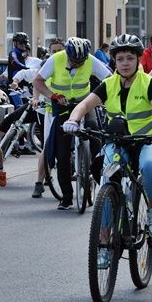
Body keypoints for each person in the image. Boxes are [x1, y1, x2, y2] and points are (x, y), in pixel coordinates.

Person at [63, 34, 152, 258]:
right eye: (120, 58)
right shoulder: (108, 84)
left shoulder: (148, 83)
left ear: (137, 60)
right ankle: (104, 242)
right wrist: (73, 120)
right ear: (114, 61)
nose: (125, 63)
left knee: (151, 166)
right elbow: (85, 104)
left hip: (148, 139)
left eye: (130, 58)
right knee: (107, 180)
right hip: (117, 141)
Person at [33, 36, 111, 210]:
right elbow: (37, 81)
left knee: (94, 131)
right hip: (62, 105)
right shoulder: (56, 59)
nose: (78, 64)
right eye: (74, 61)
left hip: (85, 103)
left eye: (81, 61)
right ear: (67, 54)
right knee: (62, 152)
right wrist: (52, 95)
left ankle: (96, 167)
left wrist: (102, 97)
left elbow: (109, 77)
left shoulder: (90, 60)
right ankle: (67, 198)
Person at [31, 39, 65, 198]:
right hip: (51, 111)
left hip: (70, 110)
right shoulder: (47, 64)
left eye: (60, 50)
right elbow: (37, 83)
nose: (57, 54)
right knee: (47, 147)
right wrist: (35, 99)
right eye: (54, 51)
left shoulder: (70, 64)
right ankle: (39, 182)